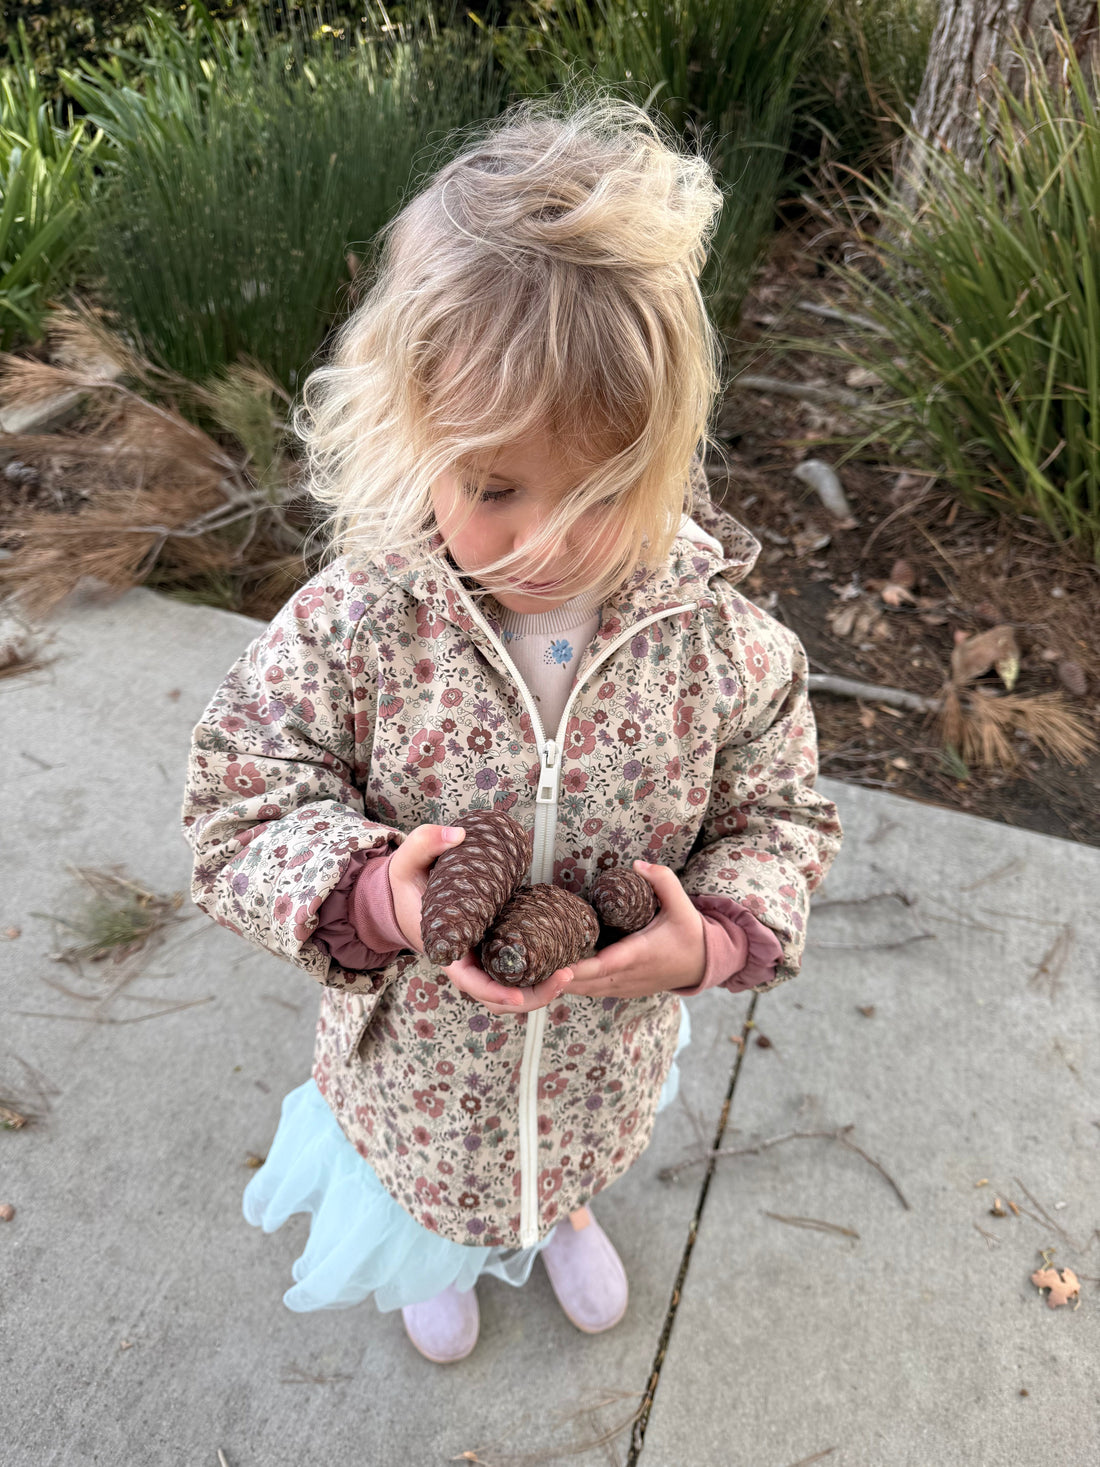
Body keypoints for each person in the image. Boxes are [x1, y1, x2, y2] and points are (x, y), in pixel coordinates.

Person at [180, 90, 843, 1365]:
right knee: (426, 1181)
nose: (543, 538)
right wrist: (367, 895)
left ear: (664, 454)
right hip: (415, 1069)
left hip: (597, 1052)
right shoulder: (358, 624)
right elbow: (240, 802)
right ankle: (432, 1241)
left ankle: (557, 1204)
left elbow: (779, 812)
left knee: (566, 1151)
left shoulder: (717, 641)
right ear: (410, 430)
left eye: (598, 492)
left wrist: (707, 941)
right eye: (493, 486)